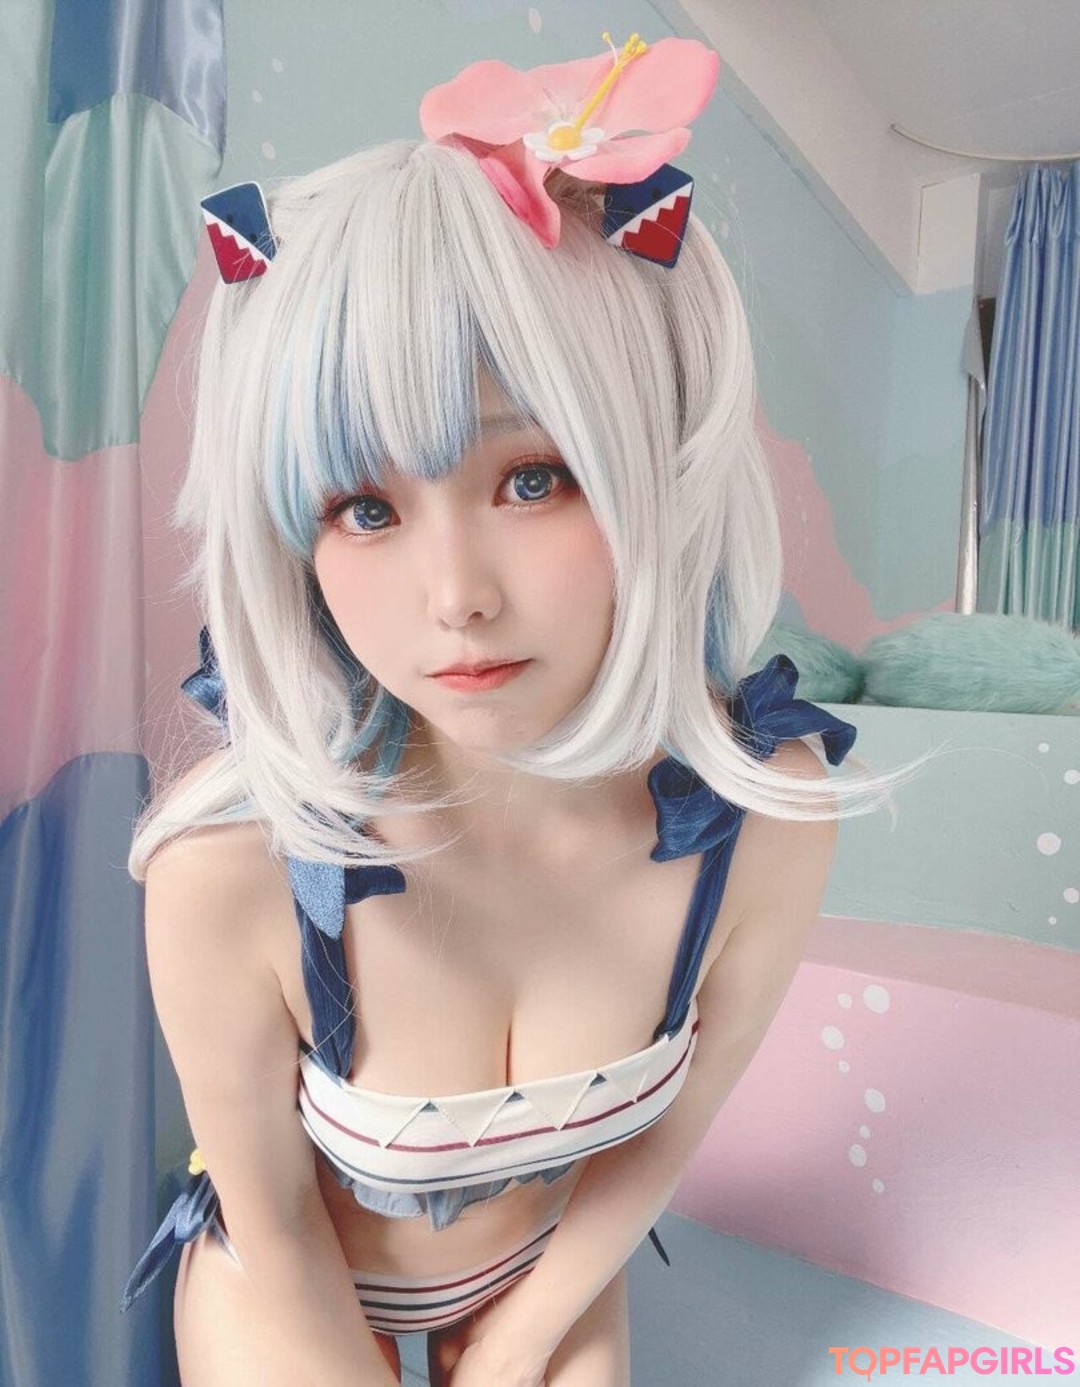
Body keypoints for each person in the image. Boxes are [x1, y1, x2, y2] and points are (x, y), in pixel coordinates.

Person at [119, 32, 924, 1387]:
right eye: (362, 507)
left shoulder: (768, 814)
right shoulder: (226, 869)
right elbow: (277, 1225)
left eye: (533, 479)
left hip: (545, 1280)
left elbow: (674, 1128)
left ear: (656, 466)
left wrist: (529, 1336)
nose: (456, 599)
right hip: (289, 1286)